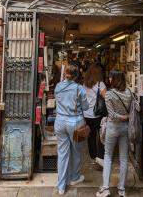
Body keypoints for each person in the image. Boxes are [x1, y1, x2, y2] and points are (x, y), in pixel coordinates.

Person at [96, 70, 132, 197]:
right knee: (123, 158)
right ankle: (121, 189)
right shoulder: (129, 93)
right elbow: (131, 112)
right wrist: (127, 117)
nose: (109, 80)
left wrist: (122, 117)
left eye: (110, 77)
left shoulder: (109, 94)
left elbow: (111, 115)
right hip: (125, 128)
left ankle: (105, 187)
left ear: (114, 79)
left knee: (108, 155)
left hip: (113, 127)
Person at [54, 64, 89, 195]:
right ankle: (74, 178)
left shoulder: (58, 86)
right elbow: (85, 107)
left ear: (66, 74)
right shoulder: (79, 88)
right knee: (76, 151)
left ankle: (61, 186)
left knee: (62, 154)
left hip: (60, 122)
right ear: (76, 76)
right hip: (75, 123)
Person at [83, 63, 107, 170]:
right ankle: (100, 157)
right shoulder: (100, 84)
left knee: (91, 136)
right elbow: (106, 97)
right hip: (98, 114)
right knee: (102, 135)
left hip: (87, 114)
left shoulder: (85, 83)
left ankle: (93, 157)